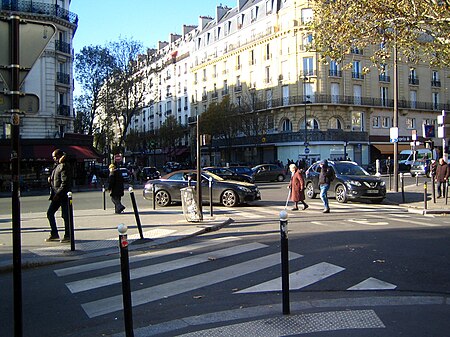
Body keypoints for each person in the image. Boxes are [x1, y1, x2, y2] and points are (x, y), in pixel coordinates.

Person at [46, 149, 72, 243]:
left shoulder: (63, 165)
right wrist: (51, 179)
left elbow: (65, 182)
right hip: (57, 194)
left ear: (59, 156)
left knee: (65, 215)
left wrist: (58, 193)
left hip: (62, 195)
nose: (53, 159)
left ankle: (68, 235)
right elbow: (57, 178)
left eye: (55, 156)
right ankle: (54, 233)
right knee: (50, 213)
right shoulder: (58, 165)